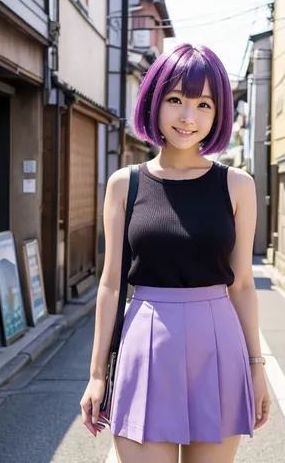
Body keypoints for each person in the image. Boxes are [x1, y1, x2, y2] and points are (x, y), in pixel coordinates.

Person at [80, 43, 270, 463]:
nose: (188, 116)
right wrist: (97, 375)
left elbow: (241, 284)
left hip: (218, 347)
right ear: (155, 102)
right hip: (144, 345)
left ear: (219, 113)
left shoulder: (237, 185)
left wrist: (257, 368)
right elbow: (111, 285)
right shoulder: (124, 184)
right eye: (176, 100)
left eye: (204, 104)